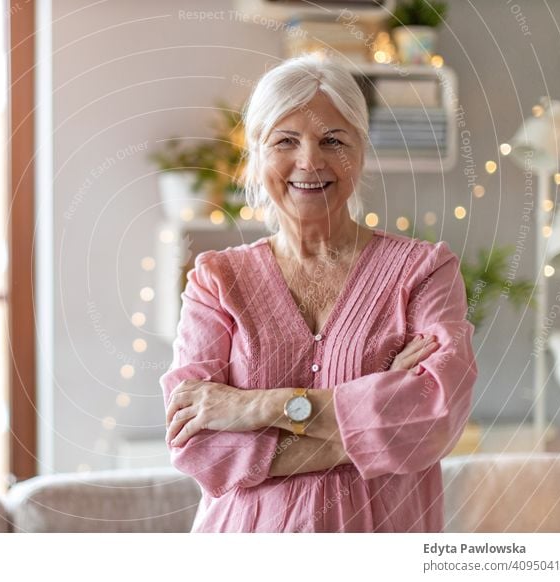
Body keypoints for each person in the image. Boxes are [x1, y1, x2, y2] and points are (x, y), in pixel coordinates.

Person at [160, 52, 477, 533]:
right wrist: (376, 412)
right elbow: (198, 448)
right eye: (285, 140)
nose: (310, 161)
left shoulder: (424, 272)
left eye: (333, 140)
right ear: (256, 154)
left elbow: (434, 417)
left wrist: (254, 406)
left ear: (361, 151)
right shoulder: (215, 282)